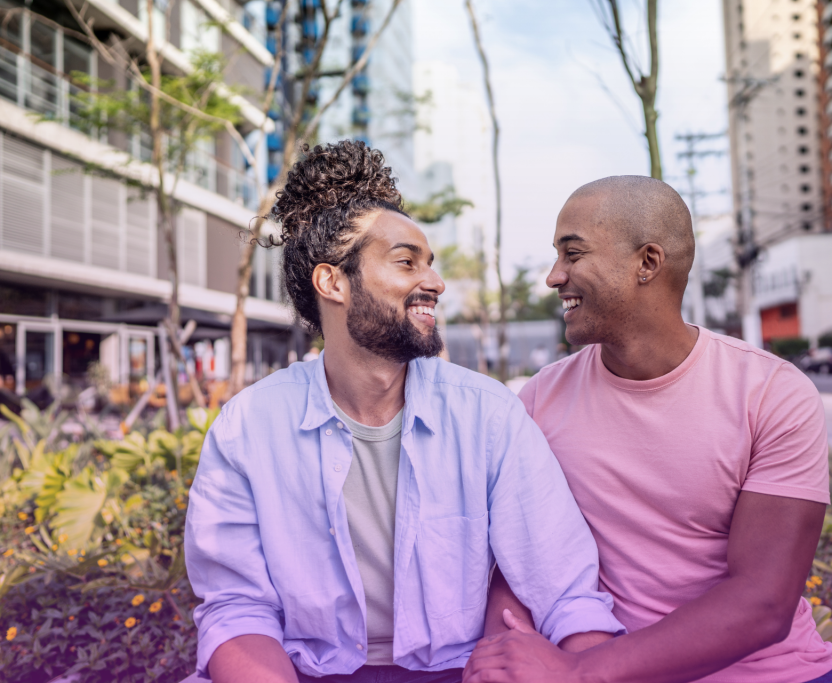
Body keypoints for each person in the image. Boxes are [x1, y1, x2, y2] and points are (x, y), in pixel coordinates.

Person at [184, 142, 623, 683]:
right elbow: (237, 608)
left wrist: (593, 670)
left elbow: (564, 592)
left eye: (431, 264)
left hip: (455, 672)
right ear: (333, 282)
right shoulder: (247, 428)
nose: (435, 283)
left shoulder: (487, 416)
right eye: (406, 262)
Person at [464, 176, 832, 683]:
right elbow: (519, 562)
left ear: (647, 262)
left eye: (573, 254)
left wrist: (578, 673)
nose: (554, 276)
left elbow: (764, 601)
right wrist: (506, 656)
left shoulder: (772, 393)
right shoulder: (539, 399)